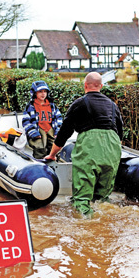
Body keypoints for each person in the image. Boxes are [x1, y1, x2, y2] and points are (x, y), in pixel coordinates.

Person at [45, 72, 123, 217]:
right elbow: (120, 133)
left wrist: (52, 155)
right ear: (101, 86)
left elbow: (64, 132)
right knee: (103, 200)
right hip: (112, 147)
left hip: (90, 145)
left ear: (85, 85)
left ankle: (89, 225)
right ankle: (106, 223)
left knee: (81, 199)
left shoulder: (80, 103)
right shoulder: (112, 105)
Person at [22, 80, 62, 159]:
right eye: (40, 91)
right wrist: (33, 132)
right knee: (39, 147)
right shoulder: (31, 106)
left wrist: (57, 131)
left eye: (45, 91)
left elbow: (59, 118)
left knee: (55, 145)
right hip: (38, 129)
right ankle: (39, 163)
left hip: (50, 128)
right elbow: (25, 121)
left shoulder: (52, 105)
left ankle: (54, 162)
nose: (43, 94)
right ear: (34, 93)